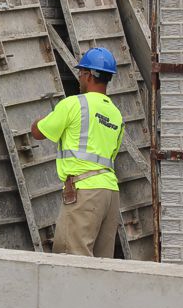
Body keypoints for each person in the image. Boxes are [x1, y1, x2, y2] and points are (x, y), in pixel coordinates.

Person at [31, 47, 124, 257]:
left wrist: (37, 122)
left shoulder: (75, 104)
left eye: (81, 73)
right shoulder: (116, 114)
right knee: (101, 264)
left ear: (89, 75)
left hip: (85, 191)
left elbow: (38, 132)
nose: (80, 77)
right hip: (110, 193)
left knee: (71, 258)